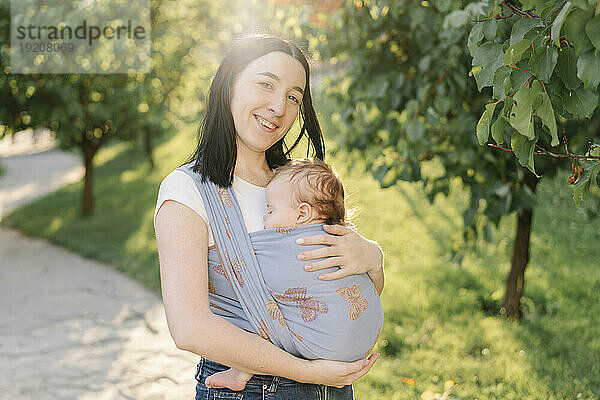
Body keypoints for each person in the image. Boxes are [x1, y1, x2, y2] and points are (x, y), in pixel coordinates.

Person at [153, 35, 385, 399]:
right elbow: (190, 328)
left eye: (294, 96)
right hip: (253, 391)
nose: (279, 106)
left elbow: (340, 294)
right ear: (229, 84)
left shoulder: (301, 185)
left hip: (334, 388)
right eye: (265, 84)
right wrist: (306, 371)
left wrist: (373, 257)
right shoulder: (188, 191)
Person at [203, 158, 384, 391]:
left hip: (327, 344)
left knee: (257, 306)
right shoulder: (346, 237)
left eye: (270, 210)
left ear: (301, 214)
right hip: (363, 340)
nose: (264, 218)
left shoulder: (294, 247)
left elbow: (237, 266)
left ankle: (242, 370)